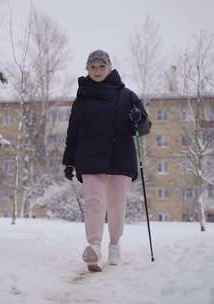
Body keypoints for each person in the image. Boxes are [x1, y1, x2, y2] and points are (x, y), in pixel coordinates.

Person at [62, 49, 151, 272]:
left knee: (115, 204)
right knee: (94, 202)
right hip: (90, 158)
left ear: (109, 67)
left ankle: (114, 244)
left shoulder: (127, 95)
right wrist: (69, 161)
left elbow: (144, 127)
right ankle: (94, 246)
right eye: (93, 66)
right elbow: (73, 132)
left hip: (120, 158)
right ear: (87, 69)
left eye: (102, 66)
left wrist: (138, 120)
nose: (97, 70)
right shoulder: (81, 99)